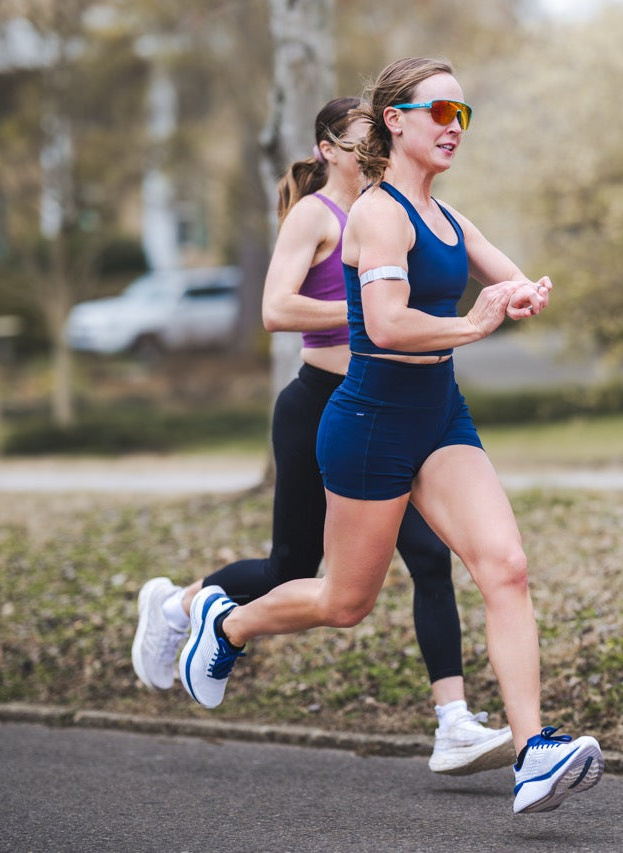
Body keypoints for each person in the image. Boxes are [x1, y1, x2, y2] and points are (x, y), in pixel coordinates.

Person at [177, 58, 603, 815]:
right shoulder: (377, 214)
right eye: (438, 111)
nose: (452, 127)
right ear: (395, 121)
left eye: (462, 115)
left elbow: (505, 275)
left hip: (440, 416)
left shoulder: (449, 217)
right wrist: (473, 323)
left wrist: (524, 291)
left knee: (505, 566)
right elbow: (384, 324)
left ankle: (534, 751)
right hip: (370, 424)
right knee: (345, 600)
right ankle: (230, 622)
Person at [130, 96, 514, 777]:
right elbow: (275, 309)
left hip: (389, 407)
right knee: (293, 570)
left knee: (430, 556)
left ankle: (454, 719)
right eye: (362, 139)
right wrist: (368, 302)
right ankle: (182, 604)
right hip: (321, 406)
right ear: (329, 150)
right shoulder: (316, 214)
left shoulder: (392, 214)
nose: (375, 150)